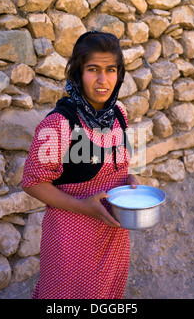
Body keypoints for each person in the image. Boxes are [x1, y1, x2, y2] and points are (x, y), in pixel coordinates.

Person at [21, 31, 138, 299]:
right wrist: (83, 206)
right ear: (77, 72)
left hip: (113, 236)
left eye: (111, 70)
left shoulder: (119, 114)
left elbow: (113, 166)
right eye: (92, 69)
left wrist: (127, 180)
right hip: (72, 238)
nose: (102, 80)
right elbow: (33, 182)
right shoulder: (60, 123)